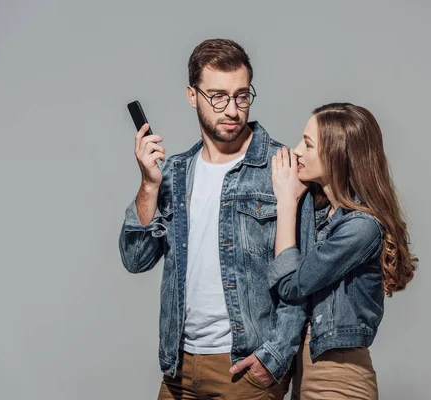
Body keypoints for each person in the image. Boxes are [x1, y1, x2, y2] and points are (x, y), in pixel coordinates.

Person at [118, 38, 311, 400]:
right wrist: (148, 183)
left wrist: (275, 356)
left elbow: (303, 279)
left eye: (241, 96)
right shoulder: (174, 171)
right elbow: (135, 258)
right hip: (178, 366)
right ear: (192, 96)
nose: (233, 110)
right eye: (218, 97)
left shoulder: (282, 167)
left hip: (244, 370)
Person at [268, 102, 418, 400]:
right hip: (308, 371)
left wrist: (285, 202)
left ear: (337, 156)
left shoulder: (361, 228)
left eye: (308, 144)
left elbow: (291, 284)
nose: (296, 150)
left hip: (338, 378)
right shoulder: (321, 216)